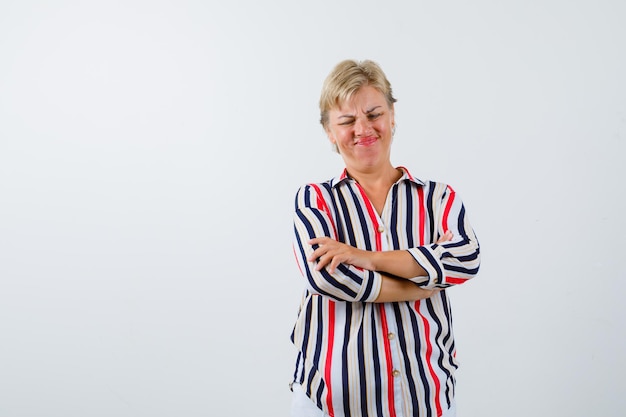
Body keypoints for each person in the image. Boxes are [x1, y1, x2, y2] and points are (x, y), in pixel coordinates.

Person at [289, 59, 481, 417]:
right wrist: (420, 283)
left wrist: (366, 258)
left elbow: (466, 259)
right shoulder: (315, 199)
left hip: (426, 395)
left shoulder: (438, 198)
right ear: (330, 132)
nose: (363, 129)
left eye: (374, 113)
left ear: (392, 115)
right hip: (332, 399)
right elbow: (326, 276)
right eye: (346, 121)